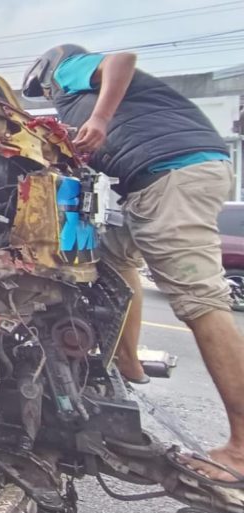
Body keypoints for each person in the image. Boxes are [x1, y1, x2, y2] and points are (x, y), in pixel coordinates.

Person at [24, 45, 244, 484]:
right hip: (159, 180)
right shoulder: (88, 104)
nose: (49, 95)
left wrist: (100, 120)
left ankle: (241, 450)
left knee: (199, 301)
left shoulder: (71, 70)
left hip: (172, 176)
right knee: (112, 259)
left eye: (44, 88)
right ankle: (127, 360)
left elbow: (121, 58)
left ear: (50, 72)